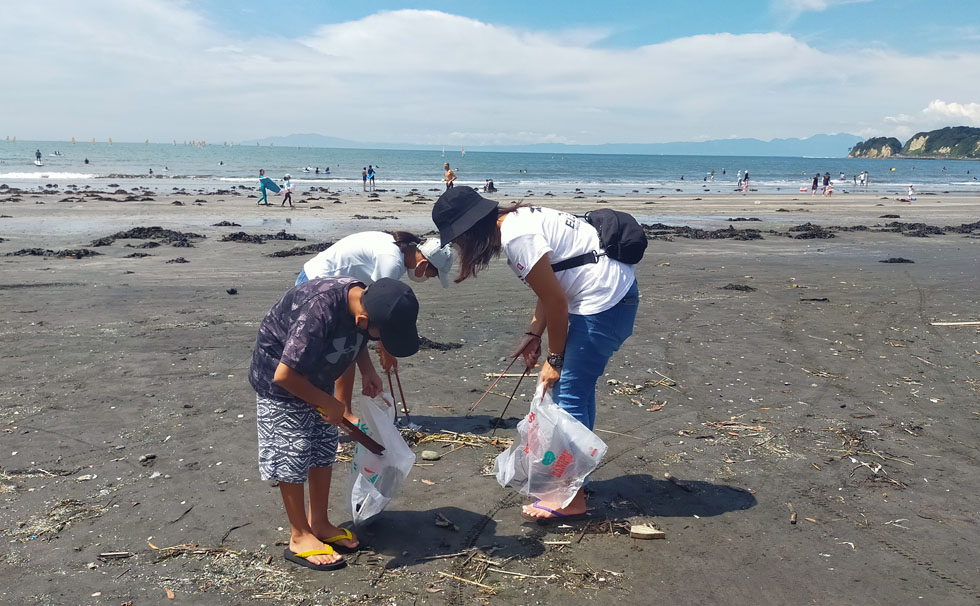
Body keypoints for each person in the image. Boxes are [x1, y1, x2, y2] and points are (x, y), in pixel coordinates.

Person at [431, 187, 639, 523]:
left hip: (602, 304)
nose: (459, 248)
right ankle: (574, 482)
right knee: (577, 392)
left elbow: (557, 301)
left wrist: (554, 359)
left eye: (457, 240)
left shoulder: (517, 238)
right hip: (610, 298)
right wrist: (534, 335)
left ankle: (569, 498)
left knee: (567, 396)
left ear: (470, 231)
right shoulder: (519, 219)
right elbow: (553, 285)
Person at [249, 276, 420, 570]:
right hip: (280, 384)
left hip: (317, 376)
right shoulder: (317, 311)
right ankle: (299, 534)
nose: (378, 340)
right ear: (365, 318)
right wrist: (328, 401)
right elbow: (284, 375)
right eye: (381, 336)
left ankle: (320, 523)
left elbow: (358, 339)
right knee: (293, 451)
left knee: (322, 446)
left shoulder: (365, 300)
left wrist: (367, 371)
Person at [296, 232, 454, 423]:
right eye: (432, 275)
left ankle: (343, 410)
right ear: (423, 264)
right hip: (317, 285)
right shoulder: (392, 262)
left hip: (341, 291)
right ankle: (325, 416)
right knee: (330, 354)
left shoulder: (398, 253)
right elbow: (379, 311)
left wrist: (370, 368)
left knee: (348, 346)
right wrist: (387, 351)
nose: (429, 278)